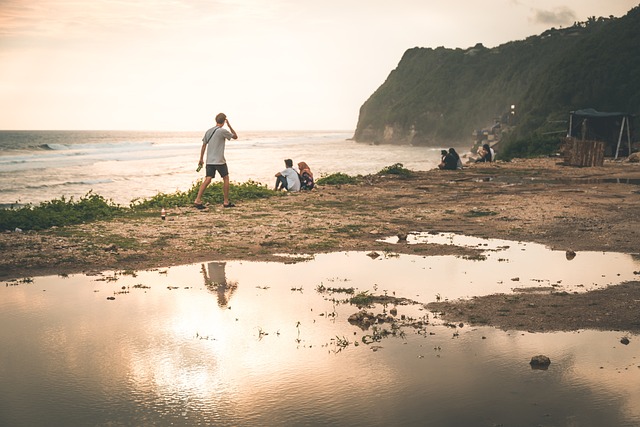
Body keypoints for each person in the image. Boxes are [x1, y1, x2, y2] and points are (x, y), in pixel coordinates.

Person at [194, 113, 238, 209]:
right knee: (225, 178)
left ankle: (197, 200)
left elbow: (204, 145)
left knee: (208, 179)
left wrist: (201, 159)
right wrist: (229, 125)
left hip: (209, 160)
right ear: (224, 121)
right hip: (219, 161)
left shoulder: (208, 131)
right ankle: (226, 201)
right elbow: (235, 136)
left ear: (216, 120)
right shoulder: (222, 131)